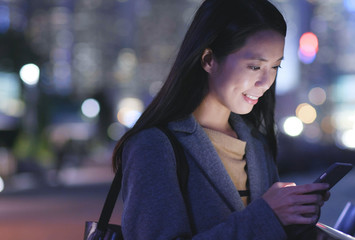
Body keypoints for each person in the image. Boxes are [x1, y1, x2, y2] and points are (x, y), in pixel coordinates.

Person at [112, 0, 331, 239]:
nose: (266, 82)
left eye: (275, 67)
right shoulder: (154, 146)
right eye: (255, 67)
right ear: (209, 60)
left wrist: (293, 217)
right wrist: (268, 214)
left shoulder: (257, 144)